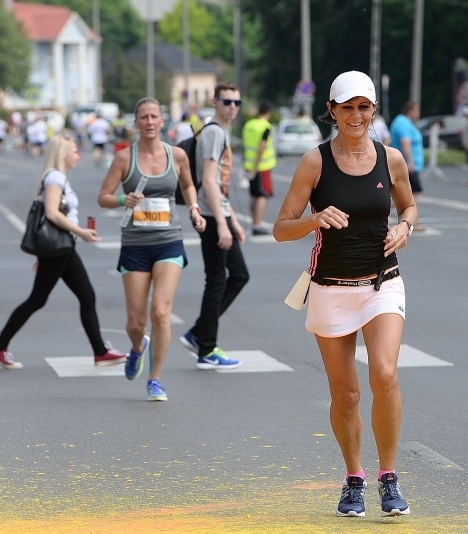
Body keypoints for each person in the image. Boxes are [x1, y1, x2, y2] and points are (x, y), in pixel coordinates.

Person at [273, 71, 418, 518]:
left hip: (381, 283)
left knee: (385, 374)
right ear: (332, 111)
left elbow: (409, 204)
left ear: (373, 110)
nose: (356, 115)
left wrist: (404, 226)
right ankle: (354, 476)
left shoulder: (390, 159)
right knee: (347, 395)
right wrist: (315, 220)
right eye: (347, 107)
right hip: (331, 287)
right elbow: (281, 228)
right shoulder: (315, 162)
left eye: (364, 107)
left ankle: (388, 476)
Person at [97, 97, 207, 401]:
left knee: (160, 312)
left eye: (153, 116)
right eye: (143, 117)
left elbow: (187, 185)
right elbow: (103, 197)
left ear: (162, 122)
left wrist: (195, 209)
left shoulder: (178, 156)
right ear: (136, 123)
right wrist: (123, 200)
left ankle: (155, 379)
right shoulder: (124, 159)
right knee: (136, 322)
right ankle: (137, 347)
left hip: (168, 241)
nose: (148, 122)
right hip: (135, 243)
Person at [0, 134, 125, 370]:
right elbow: (52, 213)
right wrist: (80, 232)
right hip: (61, 248)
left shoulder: (58, 178)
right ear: (62, 154)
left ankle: (100, 351)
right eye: (74, 151)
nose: (78, 155)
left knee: (84, 296)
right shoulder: (55, 178)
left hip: (62, 248)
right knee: (39, 300)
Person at [179, 82, 249, 370]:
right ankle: (206, 347)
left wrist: (233, 221)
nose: (232, 107)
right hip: (210, 217)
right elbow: (208, 180)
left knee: (238, 275)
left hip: (217, 214)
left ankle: (199, 334)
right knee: (218, 279)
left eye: (237, 102)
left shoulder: (220, 132)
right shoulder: (214, 133)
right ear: (215, 102)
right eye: (227, 101)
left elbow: (219, 186)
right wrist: (222, 225)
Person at [242, 101, 277, 236]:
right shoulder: (266, 127)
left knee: (254, 195)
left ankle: (254, 222)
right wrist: (256, 167)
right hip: (262, 166)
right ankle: (257, 225)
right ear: (269, 112)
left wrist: (247, 165)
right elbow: (262, 147)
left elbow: (245, 145)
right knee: (263, 195)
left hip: (249, 165)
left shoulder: (249, 125)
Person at [390, 101, 424, 231]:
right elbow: (405, 143)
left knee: (409, 193)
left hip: (408, 163)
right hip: (406, 164)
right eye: (416, 110)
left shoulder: (404, 122)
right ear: (410, 110)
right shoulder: (403, 123)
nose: (418, 113)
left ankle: (411, 221)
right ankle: (411, 221)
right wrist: (410, 161)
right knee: (411, 193)